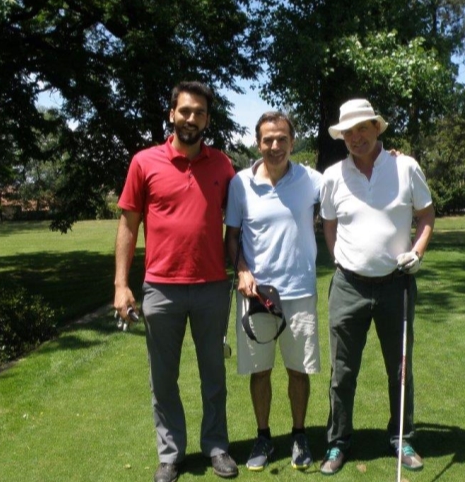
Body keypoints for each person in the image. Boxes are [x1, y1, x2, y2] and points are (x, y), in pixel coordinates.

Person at [114, 81, 239, 482]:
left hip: (212, 286)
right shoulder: (144, 162)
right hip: (161, 287)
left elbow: (240, 219)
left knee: (213, 375)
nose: (192, 118)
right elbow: (128, 225)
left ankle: (217, 446)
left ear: (207, 119)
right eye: (185, 111)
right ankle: (170, 454)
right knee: (163, 377)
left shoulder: (222, 165)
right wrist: (121, 284)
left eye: (200, 112)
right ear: (172, 114)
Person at [318, 99, 435, 475]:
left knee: (400, 368)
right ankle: (337, 443)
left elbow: (426, 213)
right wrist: (342, 261)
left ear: (376, 127)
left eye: (362, 128)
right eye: (348, 132)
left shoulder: (406, 167)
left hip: (396, 285)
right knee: (342, 371)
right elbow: (330, 225)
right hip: (348, 286)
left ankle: (402, 437)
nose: (355, 137)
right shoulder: (333, 175)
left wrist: (417, 250)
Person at [224, 112, 322, 472]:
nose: (275, 146)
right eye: (268, 139)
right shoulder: (240, 184)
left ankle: (299, 435)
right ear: (258, 142)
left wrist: (386, 155)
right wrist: (242, 270)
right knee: (260, 371)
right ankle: (263, 436)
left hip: (299, 292)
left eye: (282, 139)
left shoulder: (311, 180)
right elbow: (231, 237)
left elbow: (349, 182)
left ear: (292, 142)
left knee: (299, 371)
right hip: (256, 296)